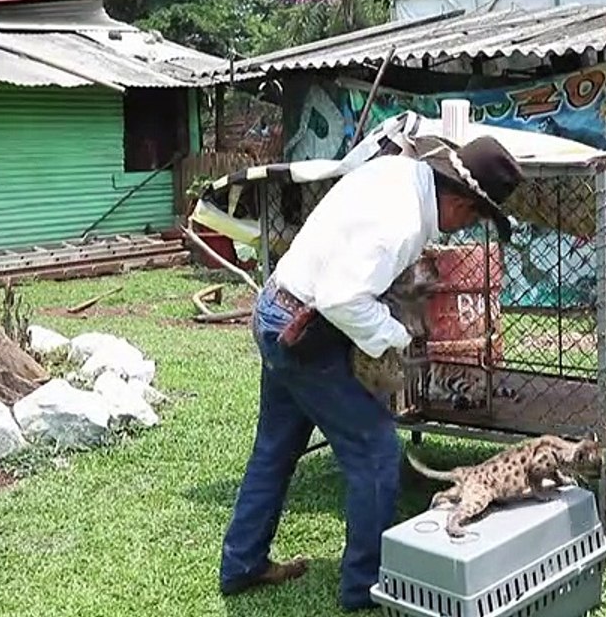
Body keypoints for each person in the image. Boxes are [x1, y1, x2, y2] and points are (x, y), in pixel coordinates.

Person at [218, 135, 523, 611]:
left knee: (275, 449)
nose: (466, 229)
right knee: (377, 454)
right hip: (306, 329)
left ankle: (242, 564)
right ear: (462, 202)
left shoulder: (399, 173)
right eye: (475, 217)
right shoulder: (401, 221)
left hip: (279, 308)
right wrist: (397, 335)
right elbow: (343, 299)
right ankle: (365, 587)